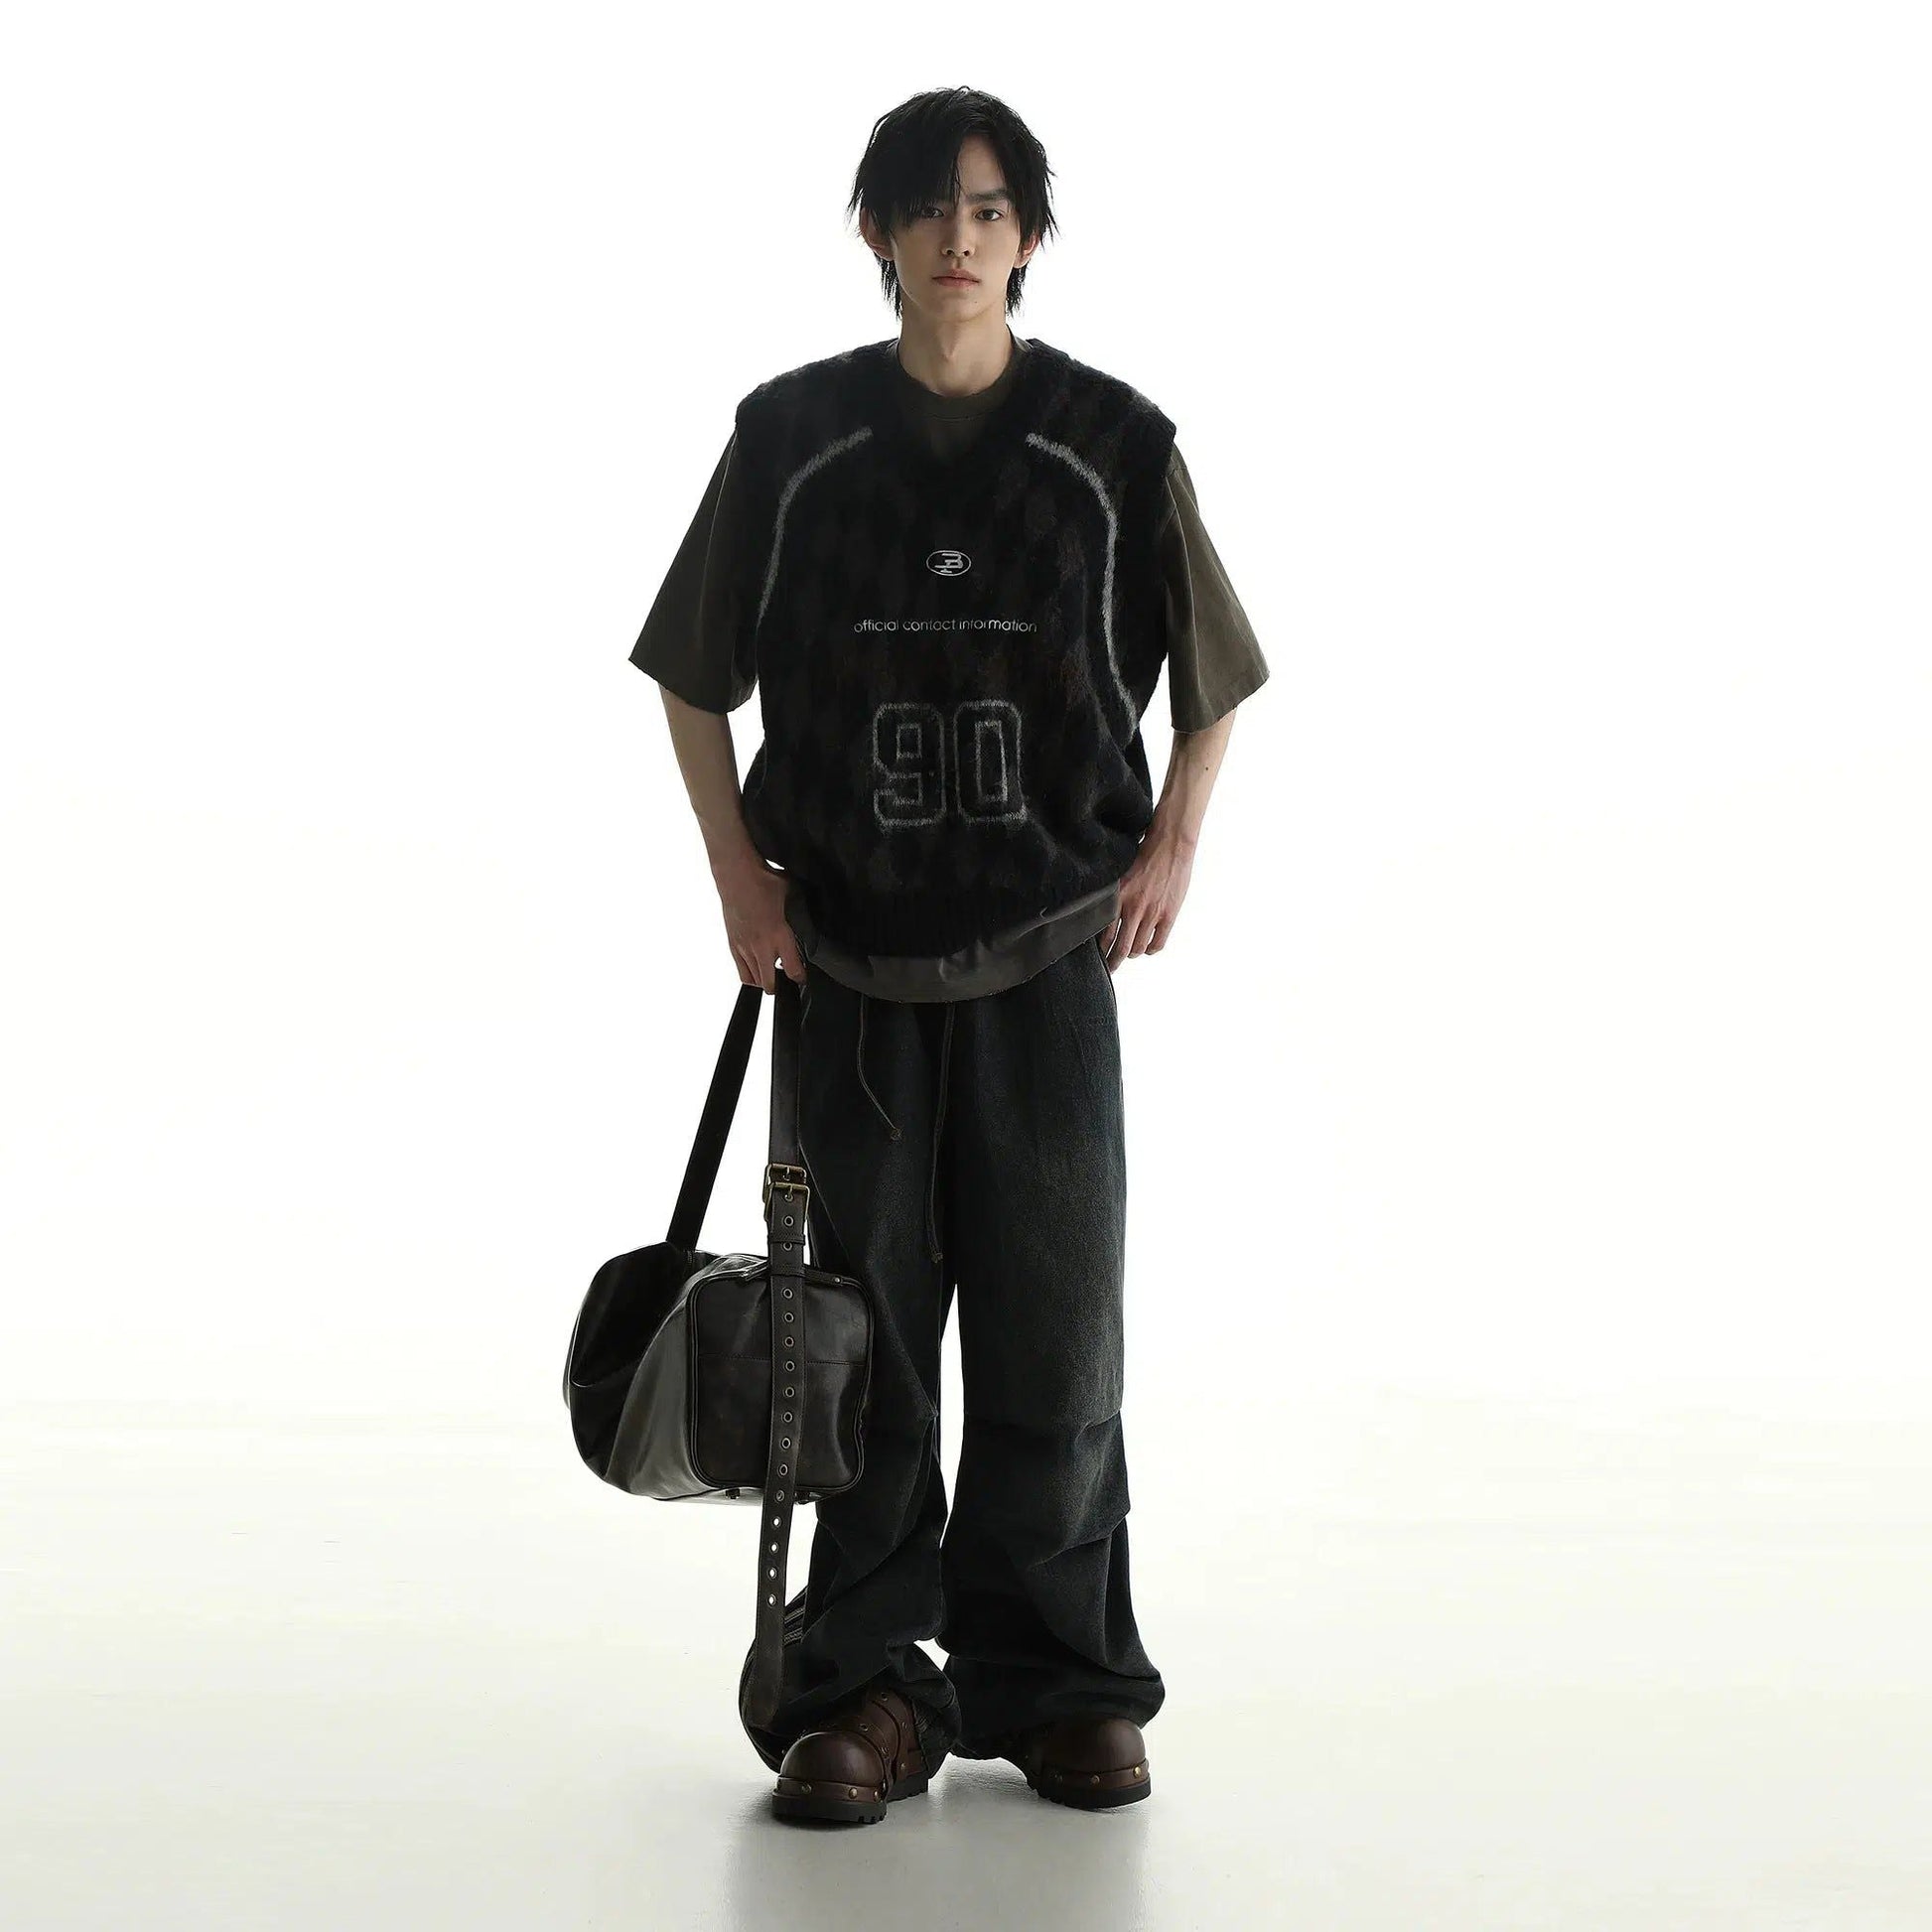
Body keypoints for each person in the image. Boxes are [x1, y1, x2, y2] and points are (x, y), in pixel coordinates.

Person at [629, 86, 1268, 1826]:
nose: (960, 236)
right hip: (850, 967)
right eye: (929, 206)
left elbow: (1214, 670)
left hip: (1049, 959)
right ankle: (862, 1689)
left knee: (1056, 1343)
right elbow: (691, 674)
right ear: (879, 233)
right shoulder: (791, 440)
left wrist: (1173, 844)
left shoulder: (1110, 445)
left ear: (1028, 236)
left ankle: (1057, 1684)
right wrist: (739, 880)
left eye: (990, 208)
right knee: (865, 1351)